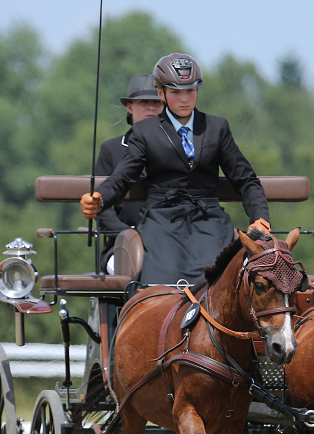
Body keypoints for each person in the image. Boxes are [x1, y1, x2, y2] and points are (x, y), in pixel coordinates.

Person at [81, 53, 271, 285]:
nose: (184, 99)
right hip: (162, 219)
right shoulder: (146, 132)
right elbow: (123, 176)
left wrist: (260, 217)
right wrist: (100, 198)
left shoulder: (216, 127)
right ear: (161, 93)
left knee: (221, 278)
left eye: (190, 91)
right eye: (175, 92)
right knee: (161, 280)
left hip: (208, 218)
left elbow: (246, 179)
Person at [95, 74, 164, 273]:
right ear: (130, 107)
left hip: (169, 241)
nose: (151, 108)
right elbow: (103, 210)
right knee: (141, 267)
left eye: (157, 103)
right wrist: (131, 234)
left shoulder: (177, 148)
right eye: (144, 102)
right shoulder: (111, 149)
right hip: (121, 245)